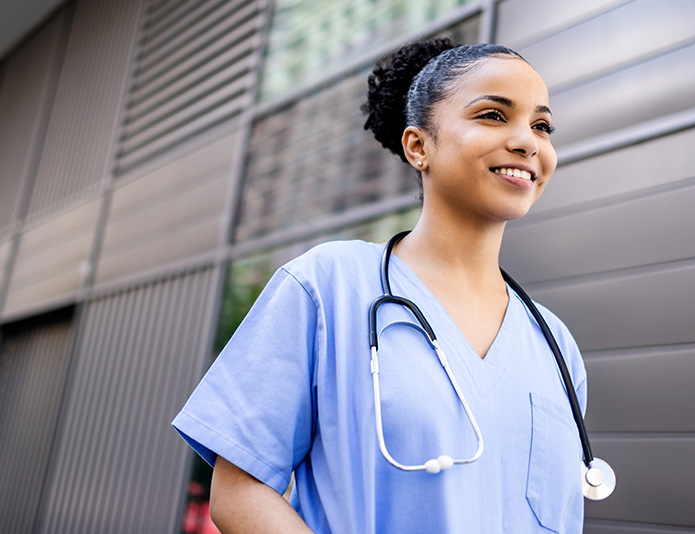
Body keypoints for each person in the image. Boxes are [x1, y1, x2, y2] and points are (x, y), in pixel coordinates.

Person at [173, 37, 587, 533]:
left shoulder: (555, 345)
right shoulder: (329, 286)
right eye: (493, 116)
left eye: (542, 125)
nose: (528, 141)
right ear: (419, 146)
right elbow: (240, 491)